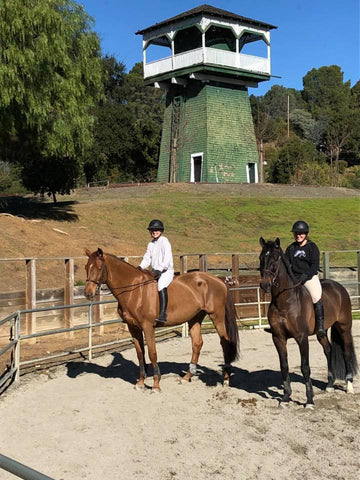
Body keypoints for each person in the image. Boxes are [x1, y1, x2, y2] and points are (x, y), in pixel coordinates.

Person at [285, 220, 325, 337]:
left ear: (306, 234)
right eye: (296, 233)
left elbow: (314, 265)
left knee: (315, 296)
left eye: (301, 233)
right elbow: (287, 264)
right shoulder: (291, 248)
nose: (298, 235)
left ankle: (321, 326)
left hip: (309, 278)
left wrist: (306, 276)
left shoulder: (312, 247)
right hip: (294, 278)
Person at [138, 219, 174, 324]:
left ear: (161, 231)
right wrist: (140, 267)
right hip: (154, 271)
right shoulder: (150, 244)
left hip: (166, 271)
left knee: (161, 285)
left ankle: (163, 314)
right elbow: (147, 258)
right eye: (153, 230)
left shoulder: (164, 241)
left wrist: (160, 269)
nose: (155, 232)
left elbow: (167, 258)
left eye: (157, 230)